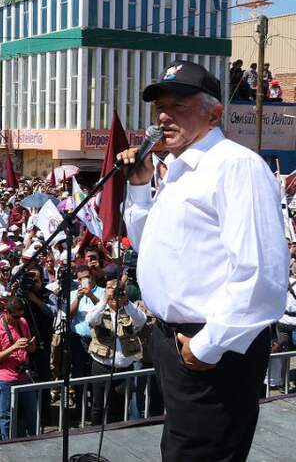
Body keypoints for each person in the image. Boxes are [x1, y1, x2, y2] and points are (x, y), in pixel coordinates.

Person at [119, 61, 289, 462]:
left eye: (178, 105)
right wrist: (140, 188)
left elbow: (262, 275)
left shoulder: (235, 166)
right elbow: (151, 249)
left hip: (210, 348)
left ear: (213, 113)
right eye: (159, 106)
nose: (162, 116)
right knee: (180, 448)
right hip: (174, 342)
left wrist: (206, 347)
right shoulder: (177, 170)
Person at [85, 267, 147, 425]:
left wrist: (126, 302)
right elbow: (91, 320)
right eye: (111, 292)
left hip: (123, 368)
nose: (115, 297)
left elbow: (141, 320)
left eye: (117, 292)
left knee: (119, 407)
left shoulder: (129, 309)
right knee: (98, 406)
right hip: (101, 365)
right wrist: (105, 299)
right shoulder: (100, 308)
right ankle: (94, 433)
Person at [0, 297, 38, 440]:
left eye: (21, 315)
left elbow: (32, 349)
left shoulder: (22, 322)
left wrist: (31, 346)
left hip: (24, 376)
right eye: (15, 316)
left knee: (32, 412)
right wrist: (14, 347)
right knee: (6, 416)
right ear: (6, 312)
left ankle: (33, 441)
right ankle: (7, 443)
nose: (18, 319)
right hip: (6, 379)